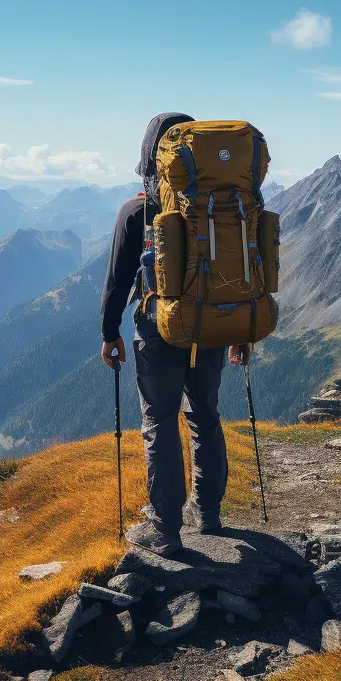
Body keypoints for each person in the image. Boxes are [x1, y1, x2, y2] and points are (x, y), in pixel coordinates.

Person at [100, 112, 247, 556]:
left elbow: (117, 279)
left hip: (157, 332)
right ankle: (210, 514)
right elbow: (241, 271)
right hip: (212, 327)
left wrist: (110, 333)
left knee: (160, 421)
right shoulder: (224, 208)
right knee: (205, 414)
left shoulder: (136, 211)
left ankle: (165, 527)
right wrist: (240, 329)